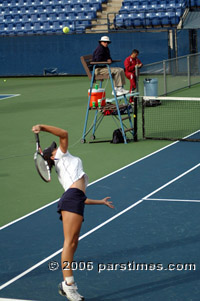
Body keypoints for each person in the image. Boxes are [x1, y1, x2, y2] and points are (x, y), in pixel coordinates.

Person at [32, 124, 114, 301]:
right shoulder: (61, 156)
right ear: (53, 155)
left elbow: (80, 197)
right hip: (71, 199)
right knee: (69, 243)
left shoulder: (64, 164)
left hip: (75, 199)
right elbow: (64, 133)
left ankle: (65, 284)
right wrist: (42, 127)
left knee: (73, 243)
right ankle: (69, 285)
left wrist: (100, 202)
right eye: (54, 149)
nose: (57, 148)